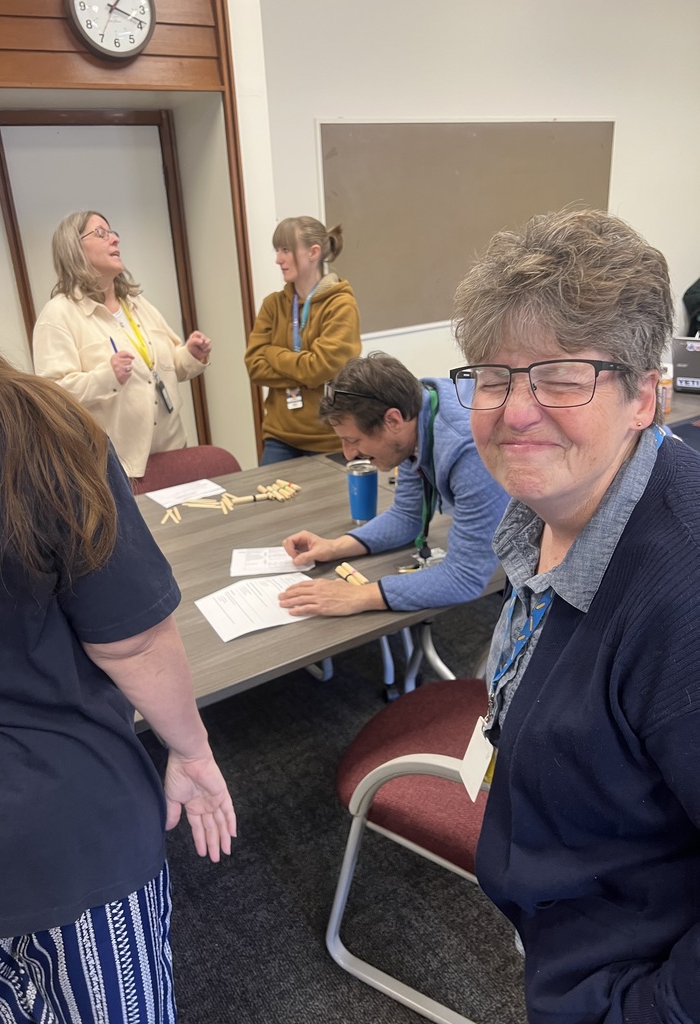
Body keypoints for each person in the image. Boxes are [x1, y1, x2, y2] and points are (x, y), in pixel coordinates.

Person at [0, 195, 235, 1024]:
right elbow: (132, 639)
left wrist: (188, 354)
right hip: (64, 820)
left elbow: (170, 358)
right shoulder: (31, 426)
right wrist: (192, 749)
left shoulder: (133, 304)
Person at [451, 208, 700, 1023]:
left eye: (561, 375)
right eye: (493, 375)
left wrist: (642, 1009)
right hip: (572, 924)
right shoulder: (546, 515)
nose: (514, 409)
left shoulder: (681, 597)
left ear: (643, 398)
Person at [279, 353, 508, 616]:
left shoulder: (469, 450)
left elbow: (464, 578)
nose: (349, 455)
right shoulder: (419, 411)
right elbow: (406, 516)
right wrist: (334, 547)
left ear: (393, 421)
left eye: (353, 440)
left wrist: (358, 596)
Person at [33, 210, 211, 480]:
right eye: (101, 234)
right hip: (117, 468)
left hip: (172, 450)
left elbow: (172, 365)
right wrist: (107, 377)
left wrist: (190, 355)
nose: (115, 240)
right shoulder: (58, 315)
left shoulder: (137, 304)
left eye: (113, 233)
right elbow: (52, 396)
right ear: (73, 248)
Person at [245, 215, 361, 465]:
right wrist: (305, 368)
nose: (278, 259)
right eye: (277, 250)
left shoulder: (340, 304)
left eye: (286, 250)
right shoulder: (273, 305)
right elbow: (254, 367)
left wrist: (273, 353)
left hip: (331, 436)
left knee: (332, 505)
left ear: (313, 252)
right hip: (280, 437)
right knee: (273, 502)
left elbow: (320, 368)